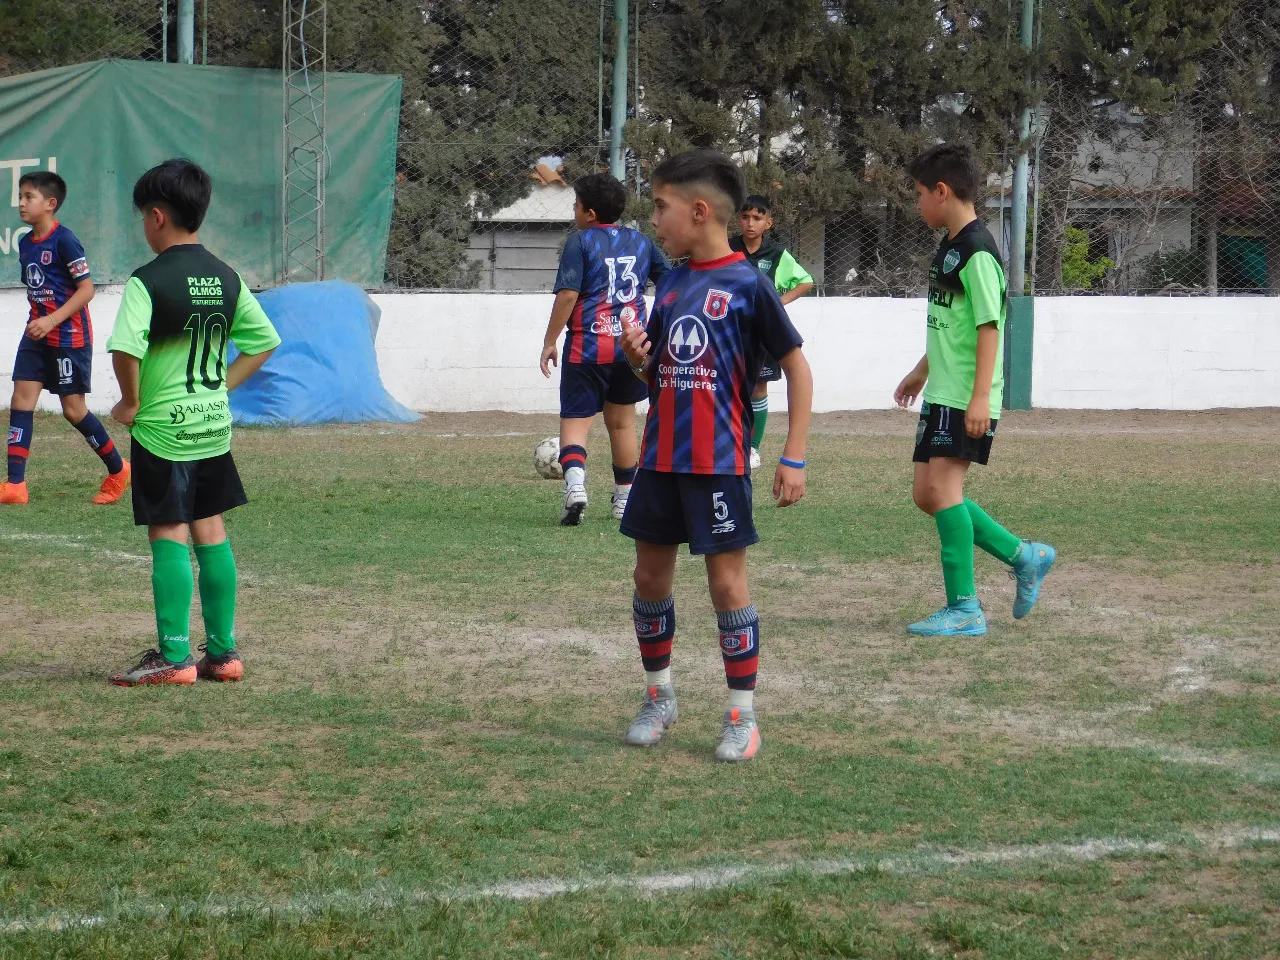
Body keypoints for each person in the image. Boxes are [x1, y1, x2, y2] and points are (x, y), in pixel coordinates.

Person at [618, 150, 812, 762]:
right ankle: (659, 696)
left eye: (660, 207)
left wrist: (794, 455)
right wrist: (637, 359)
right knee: (649, 577)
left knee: (727, 587)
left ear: (699, 212)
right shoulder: (670, 281)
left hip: (720, 463)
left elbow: (798, 371)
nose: (655, 220)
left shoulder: (750, 284)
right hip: (661, 461)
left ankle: (742, 714)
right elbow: (664, 372)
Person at [106, 159, 281, 686]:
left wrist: (129, 402)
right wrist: (221, 386)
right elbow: (264, 342)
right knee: (211, 528)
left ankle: (174, 656)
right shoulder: (226, 276)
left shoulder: (147, 281)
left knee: (168, 530)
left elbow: (123, 349)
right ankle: (224, 655)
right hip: (211, 427)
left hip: (165, 429)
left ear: (157, 216)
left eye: (143, 216)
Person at [893, 143, 1055, 637]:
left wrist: (981, 396)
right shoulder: (951, 244)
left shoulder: (978, 251)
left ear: (942, 191)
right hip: (943, 388)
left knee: (943, 491)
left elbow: (990, 326)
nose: (917, 203)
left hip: (965, 393)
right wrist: (922, 369)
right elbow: (952, 323)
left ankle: (964, 608)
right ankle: (1024, 556)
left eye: (920, 194)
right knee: (929, 494)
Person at [539, 172, 670, 525]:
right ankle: (625, 500)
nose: (574, 210)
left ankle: (576, 487)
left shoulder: (579, 242)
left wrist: (550, 340)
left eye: (576, 204)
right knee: (622, 424)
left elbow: (568, 295)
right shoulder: (642, 242)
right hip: (631, 348)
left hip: (588, 347)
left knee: (576, 422)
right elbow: (670, 282)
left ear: (590, 213)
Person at [2, 171, 131, 506]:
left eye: (29, 197)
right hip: (36, 334)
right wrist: (39, 322)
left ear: (50, 204)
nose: (22, 203)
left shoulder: (65, 241)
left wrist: (53, 319)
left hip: (68, 337)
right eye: (21, 196)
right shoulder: (25, 242)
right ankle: (15, 484)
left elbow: (86, 290)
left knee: (73, 411)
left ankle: (119, 470)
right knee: (21, 399)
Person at [729, 195, 813, 470]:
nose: (750, 223)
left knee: (758, 387)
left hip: (761, 332)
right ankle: (728, 441)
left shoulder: (777, 255)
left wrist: (779, 302)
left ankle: (753, 447)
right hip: (729, 328)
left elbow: (806, 281)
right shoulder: (728, 248)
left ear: (768, 223)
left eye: (757, 218)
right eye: (745, 217)